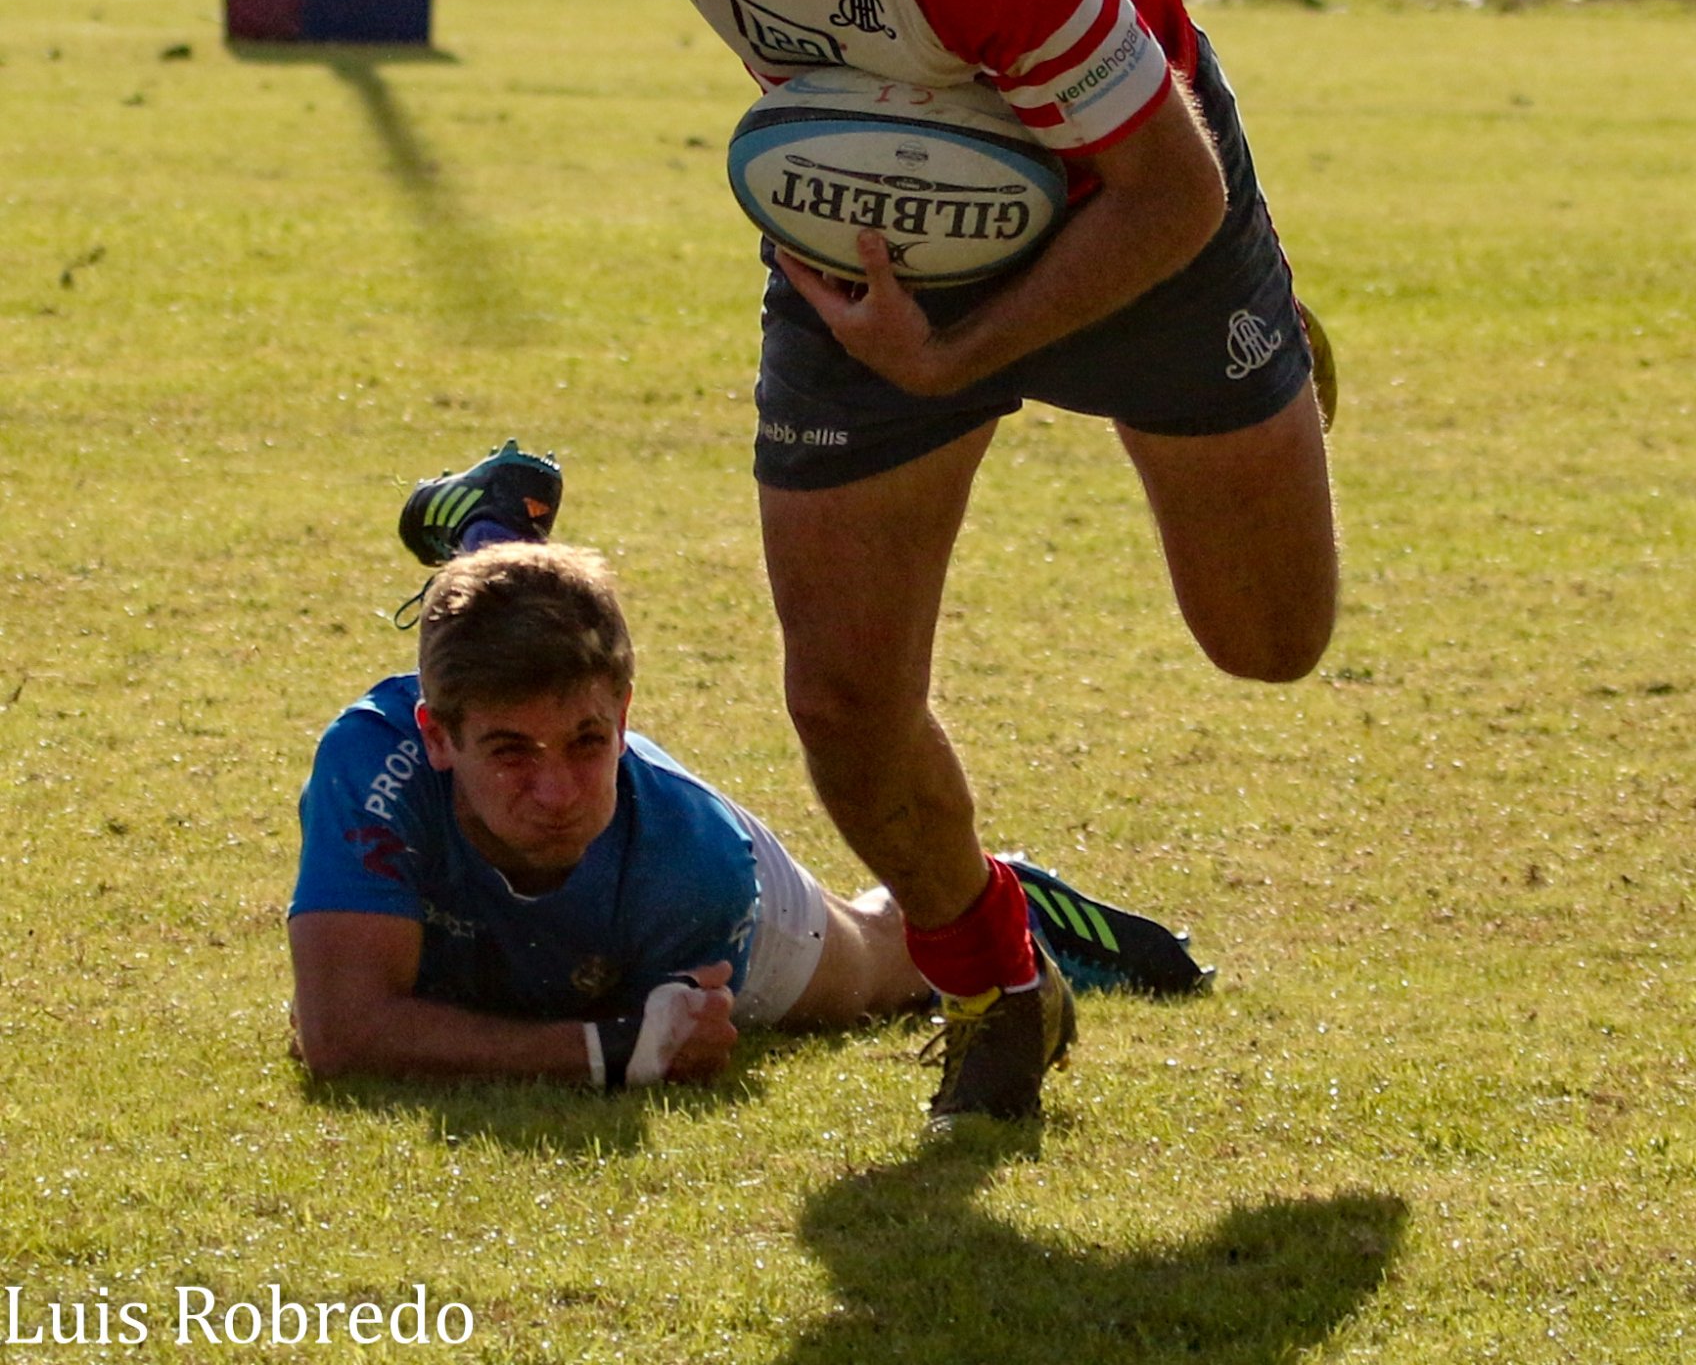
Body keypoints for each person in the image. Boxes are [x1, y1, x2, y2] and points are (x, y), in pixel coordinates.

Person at [265, 0, 1337, 1123]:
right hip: (863, 201)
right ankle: (994, 982)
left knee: (1268, 643)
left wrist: (964, 357)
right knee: (840, 698)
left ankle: (1270, 357)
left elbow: (1165, 193)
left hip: (1132, 194)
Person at [289, 442, 1208, 1093]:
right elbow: (340, 1036)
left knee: (871, 973)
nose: (559, 793)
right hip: (514, 719)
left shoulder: (694, 873)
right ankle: (495, 530)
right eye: (510, 754)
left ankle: (989, 895)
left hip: (718, 865)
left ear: (626, 718)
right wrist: (608, 1053)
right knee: (513, 635)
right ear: (437, 735)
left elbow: (671, 1050)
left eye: (587, 742)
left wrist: (631, 1047)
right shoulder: (375, 759)